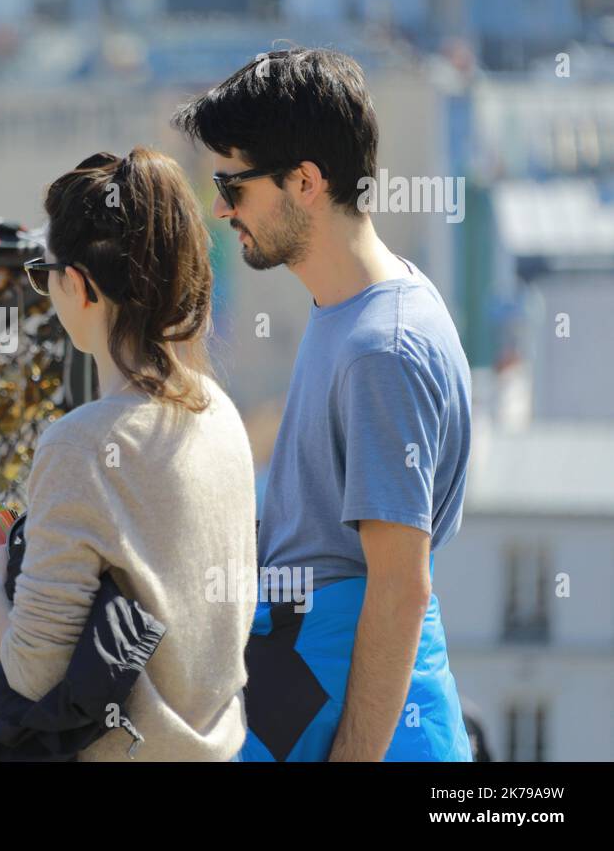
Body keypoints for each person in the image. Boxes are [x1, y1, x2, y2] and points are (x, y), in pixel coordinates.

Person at [174, 47, 473, 761]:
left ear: (304, 181)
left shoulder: (380, 349)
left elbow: (400, 586)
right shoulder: (358, 310)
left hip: (363, 719)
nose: (220, 208)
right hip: (320, 684)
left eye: (232, 184)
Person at [0, 148, 258, 761]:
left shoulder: (80, 445)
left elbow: (34, 675)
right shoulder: (221, 413)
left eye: (44, 270)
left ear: (78, 284)